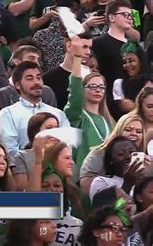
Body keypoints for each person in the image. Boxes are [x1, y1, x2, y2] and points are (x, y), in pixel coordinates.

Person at [64, 36, 115, 180]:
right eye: (92, 86)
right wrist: (77, 58)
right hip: (83, 180)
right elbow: (74, 92)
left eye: (101, 87)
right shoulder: (77, 116)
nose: (97, 90)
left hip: (107, 179)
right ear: (83, 90)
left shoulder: (109, 121)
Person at [0, 61, 70, 158]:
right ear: (17, 85)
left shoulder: (58, 114)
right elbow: (10, 151)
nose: (36, 82)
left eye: (39, 78)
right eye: (29, 79)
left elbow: (67, 146)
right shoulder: (7, 114)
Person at [79, 113, 145, 194]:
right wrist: (127, 184)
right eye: (128, 130)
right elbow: (116, 206)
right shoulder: (101, 181)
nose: (134, 133)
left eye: (139, 131)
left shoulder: (144, 158)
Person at [92, 0, 135, 119]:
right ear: (112, 18)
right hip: (108, 106)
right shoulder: (98, 44)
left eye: (130, 15)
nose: (129, 18)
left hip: (133, 106)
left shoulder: (135, 47)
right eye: (124, 14)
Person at [33, 0, 83, 74]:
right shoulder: (41, 36)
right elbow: (36, 66)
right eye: (68, 10)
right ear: (57, 9)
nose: (73, 14)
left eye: (76, 10)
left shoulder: (81, 35)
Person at [0, 44, 57, 109]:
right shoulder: (3, 93)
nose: (37, 63)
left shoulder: (47, 92)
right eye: (31, 59)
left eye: (38, 60)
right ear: (17, 61)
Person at [43, 31, 93, 110]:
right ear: (69, 46)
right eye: (84, 47)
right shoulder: (48, 79)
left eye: (89, 48)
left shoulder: (90, 75)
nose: (88, 52)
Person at [12, 112, 59, 190]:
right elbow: (22, 188)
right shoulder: (22, 156)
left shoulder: (62, 154)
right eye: (49, 128)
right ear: (35, 132)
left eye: (56, 128)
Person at [89, 136, 145, 201]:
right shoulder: (101, 182)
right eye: (121, 154)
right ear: (111, 160)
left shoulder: (145, 183)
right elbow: (108, 210)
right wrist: (127, 184)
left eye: (132, 152)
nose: (128, 157)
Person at [113, 40, 148, 114]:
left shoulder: (149, 82)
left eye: (131, 61)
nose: (128, 65)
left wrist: (135, 107)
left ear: (141, 61)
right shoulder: (119, 83)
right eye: (124, 62)